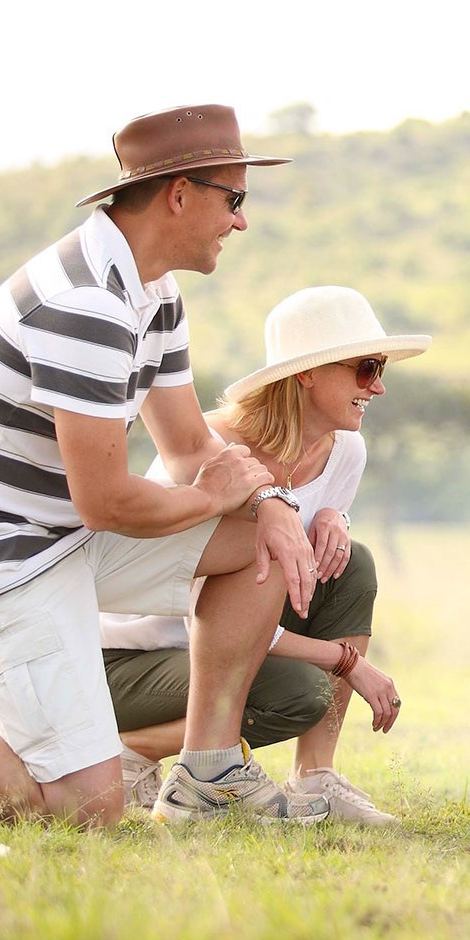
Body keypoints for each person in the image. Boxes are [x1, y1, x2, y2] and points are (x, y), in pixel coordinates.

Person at [0, 104, 322, 827]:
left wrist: (270, 501)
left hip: (64, 538)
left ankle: (207, 776)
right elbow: (108, 503)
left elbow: (186, 448)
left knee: (261, 543)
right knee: (89, 808)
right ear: (180, 194)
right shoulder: (84, 304)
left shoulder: (154, 293)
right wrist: (215, 498)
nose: (241, 221)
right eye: (233, 199)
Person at [99, 286, 427, 825]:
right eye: (366, 368)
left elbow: (283, 579)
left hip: (218, 651)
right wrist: (348, 662)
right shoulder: (216, 453)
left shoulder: (346, 449)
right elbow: (207, 609)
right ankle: (133, 751)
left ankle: (315, 780)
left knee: (354, 563)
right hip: (130, 660)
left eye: (381, 367)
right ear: (308, 373)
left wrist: (333, 518)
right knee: (298, 693)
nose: (380, 386)